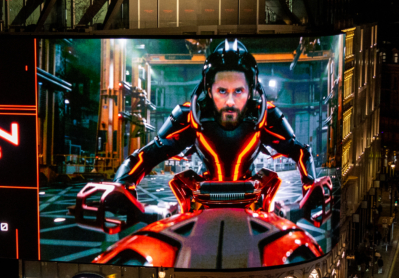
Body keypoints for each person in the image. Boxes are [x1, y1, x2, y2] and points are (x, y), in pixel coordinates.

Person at [107, 39, 324, 230]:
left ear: (251, 90)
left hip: (253, 198)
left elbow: (300, 151)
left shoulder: (265, 115)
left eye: (238, 91)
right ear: (209, 89)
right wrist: (122, 186)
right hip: (200, 200)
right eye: (222, 91)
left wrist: (310, 189)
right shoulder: (190, 114)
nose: (230, 101)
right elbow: (144, 157)